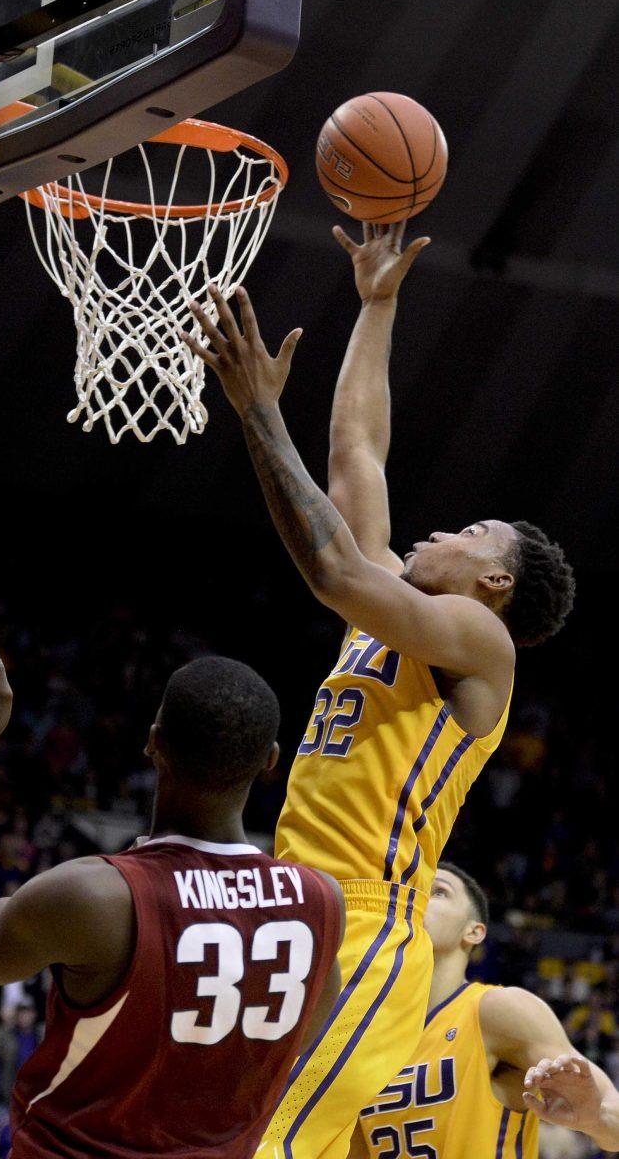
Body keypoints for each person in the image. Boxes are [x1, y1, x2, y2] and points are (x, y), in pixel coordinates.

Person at [185, 222, 575, 1159]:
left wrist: (255, 414)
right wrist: (377, 302)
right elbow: (356, 451)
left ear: (495, 583)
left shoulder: (478, 645)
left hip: (366, 929)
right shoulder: (388, 618)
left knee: (258, 1147)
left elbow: (330, 567)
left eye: (475, 532)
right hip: (285, 910)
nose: (445, 528)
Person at [0, 614, 344, 1159]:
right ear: (271, 761)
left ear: (154, 743)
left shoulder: (99, 896)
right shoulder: (321, 899)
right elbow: (303, 1030)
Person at [348, 863, 619, 1157]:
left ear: (474, 932)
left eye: (438, 891)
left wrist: (596, 1119)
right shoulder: (364, 1035)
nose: (418, 899)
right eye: (413, 891)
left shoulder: (495, 1009)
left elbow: (611, 1115)